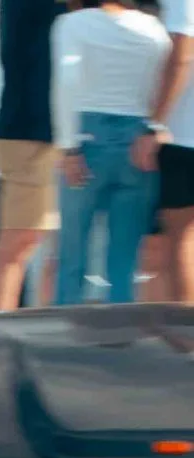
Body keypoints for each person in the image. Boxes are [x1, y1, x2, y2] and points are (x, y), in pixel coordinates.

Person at [54, 0, 172, 304]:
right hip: (137, 137)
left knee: (72, 253)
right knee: (125, 258)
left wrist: (68, 146)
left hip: (88, 136)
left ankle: (67, 336)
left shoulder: (73, 24)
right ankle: (121, 341)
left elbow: (67, 82)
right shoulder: (153, 28)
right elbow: (159, 83)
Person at [0, 0, 68, 310]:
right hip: (33, 131)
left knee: (61, 247)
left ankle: (52, 329)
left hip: (61, 128)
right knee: (19, 239)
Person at [144, 0, 194, 298]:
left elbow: (181, 55)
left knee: (179, 239)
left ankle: (186, 339)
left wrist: (155, 123)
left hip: (182, 136)